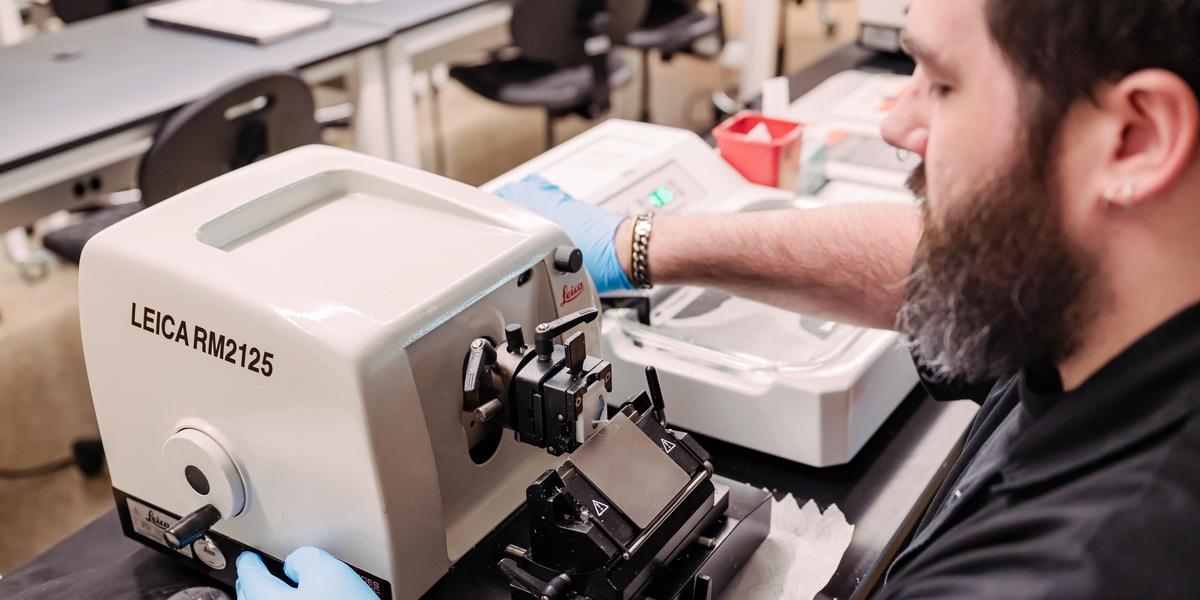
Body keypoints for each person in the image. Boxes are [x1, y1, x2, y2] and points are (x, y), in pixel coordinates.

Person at [235, 0, 1200, 597]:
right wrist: (637, 244)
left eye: (942, 84)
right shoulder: (1124, 287)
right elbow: (930, 257)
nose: (895, 120)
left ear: (1134, 140)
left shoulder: (1077, 564)